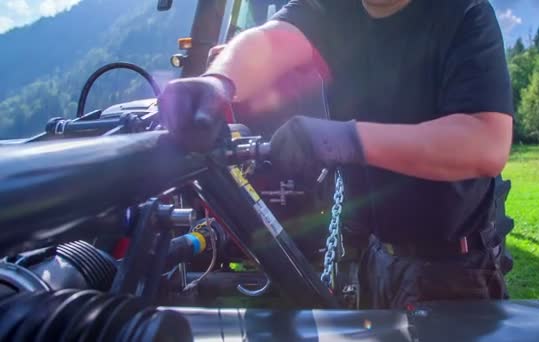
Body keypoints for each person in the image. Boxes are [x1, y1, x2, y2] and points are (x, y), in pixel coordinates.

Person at [158, 0, 514, 309]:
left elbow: (485, 141)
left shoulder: (464, 12)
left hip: (456, 270)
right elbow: (270, 40)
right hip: (377, 257)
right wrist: (218, 82)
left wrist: (345, 139)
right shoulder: (334, 7)